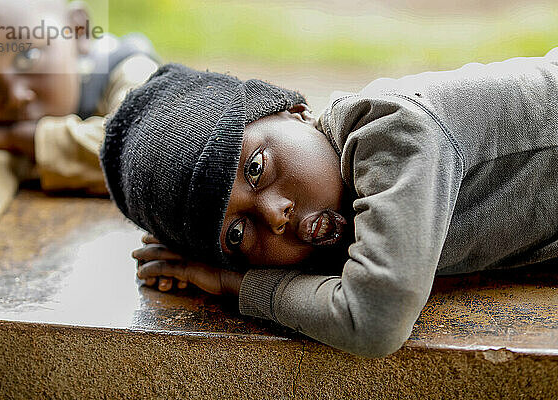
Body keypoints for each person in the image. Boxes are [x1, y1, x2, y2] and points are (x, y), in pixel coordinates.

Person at [100, 47, 558, 357]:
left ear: (293, 111)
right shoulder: (343, 209)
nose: (273, 214)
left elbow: (372, 319)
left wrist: (236, 285)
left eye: (256, 167)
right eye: (237, 234)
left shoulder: (391, 131)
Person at [0, 0, 160, 291]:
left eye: (28, 55)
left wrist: (16, 139)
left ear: (78, 30)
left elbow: (140, 145)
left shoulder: (129, 66)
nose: (15, 96)